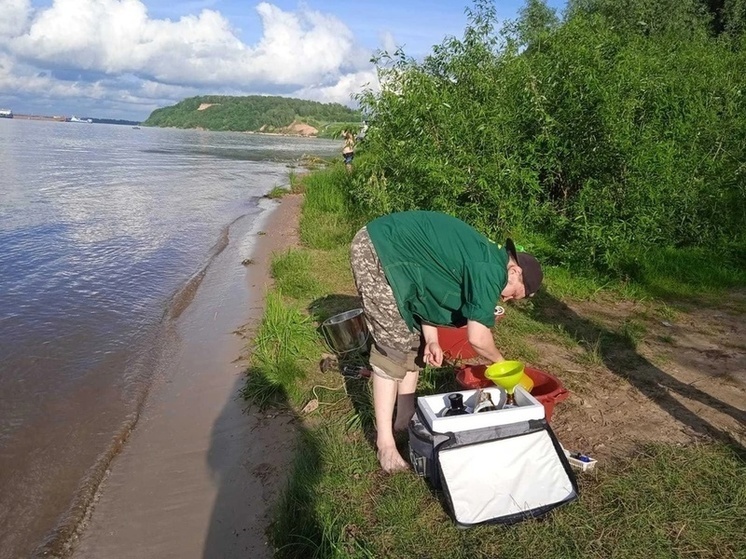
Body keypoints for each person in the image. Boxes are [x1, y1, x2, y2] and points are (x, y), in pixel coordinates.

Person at [349, 211, 543, 472]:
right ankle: (385, 444)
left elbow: (431, 287)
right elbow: (478, 338)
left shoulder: (487, 261)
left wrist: (431, 339)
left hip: (401, 258)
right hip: (378, 249)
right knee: (391, 346)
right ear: (515, 271)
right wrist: (502, 364)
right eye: (514, 295)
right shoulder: (491, 269)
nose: (506, 300)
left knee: (414, 342)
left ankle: (404, 420)